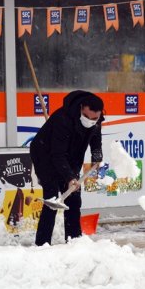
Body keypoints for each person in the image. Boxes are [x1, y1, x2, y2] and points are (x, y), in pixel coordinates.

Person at [30, 90, 104, 246]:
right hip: (45, 155)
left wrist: (97, 155)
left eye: (94, 119)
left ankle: (74, 240)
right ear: (82, 108)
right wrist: (70, 178)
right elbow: (57, 155)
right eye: (88, 117)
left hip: (70, 156)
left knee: (74, 199)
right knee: (52, 198)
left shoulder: (96, 120)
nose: (90, 121)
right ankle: (42, 244)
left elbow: (95, 137)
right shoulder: (62, 119)